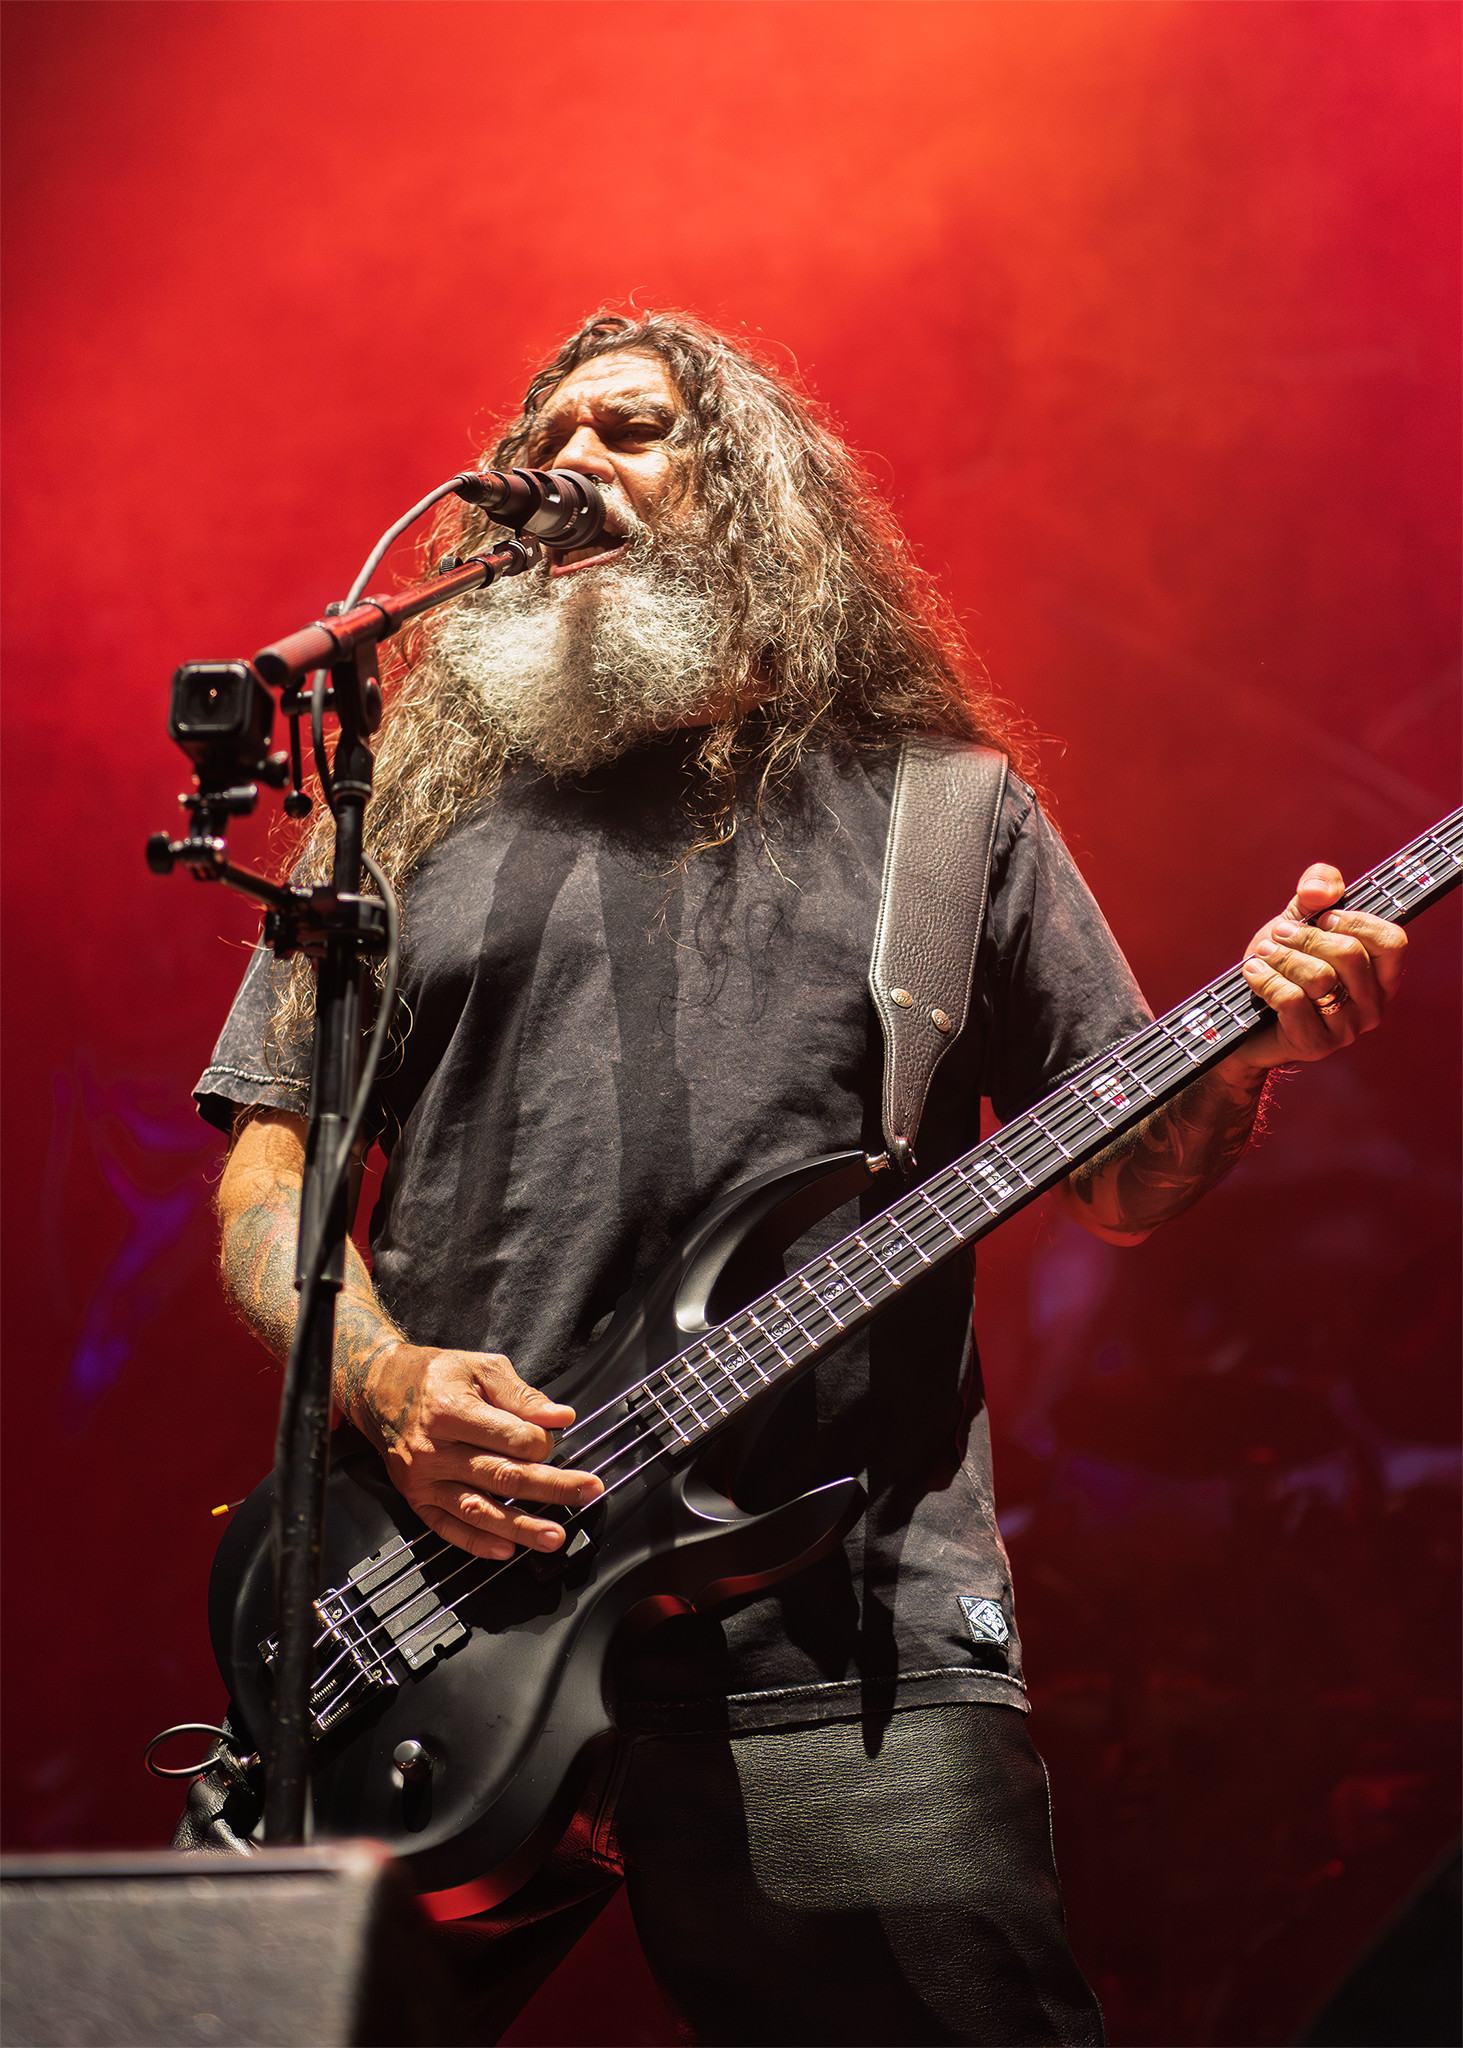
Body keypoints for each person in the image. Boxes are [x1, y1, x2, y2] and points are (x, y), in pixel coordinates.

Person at [195, 312, 1407, 2046]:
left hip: (837, 1637)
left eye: (629, 430)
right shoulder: (402, 816)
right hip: (433, 1601)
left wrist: (1248, 1055)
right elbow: (270, 1181)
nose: (566, 463)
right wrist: (388, 1392)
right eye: (544, 439)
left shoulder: (944, 815)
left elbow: (1124, 1183)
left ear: (753, 493)